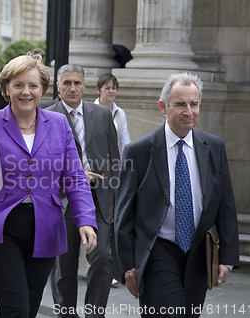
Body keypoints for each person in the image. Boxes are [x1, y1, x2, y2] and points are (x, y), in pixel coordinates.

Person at [0, 54, 98, 317]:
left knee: (28, 310)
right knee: (16, 310)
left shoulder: (59, 124)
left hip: (45, 230)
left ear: (42, 89)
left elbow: (74, 176)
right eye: (18, 85)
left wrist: (86, 219)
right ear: (6, 89)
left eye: (33, 85)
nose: (26, 92)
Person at [115, 72, 239, 317]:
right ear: (163, 107)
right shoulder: (139, 151)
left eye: (194, 104)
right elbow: (124, 212)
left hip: (198, 252)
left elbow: (226, 206)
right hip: (158, 250)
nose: (188, 111)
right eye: (180, 104)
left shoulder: (214, 147)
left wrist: (226, 257)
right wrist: (128, 264)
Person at [47, 64, 120, 318]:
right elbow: (41, 165)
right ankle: (66, 313)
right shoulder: (46, 115)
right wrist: (74, 176)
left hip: (99, 200)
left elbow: (115, 159)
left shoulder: (101, 114)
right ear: (58, 87)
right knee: (63, 268)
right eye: (66, 83)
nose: (72, 88)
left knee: (103, 258)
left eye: (77, 83)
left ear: (85, 86)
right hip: (63, 200)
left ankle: (94, 313)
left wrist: (115, 201)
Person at [94, 74, 130, 155]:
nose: (111, 91)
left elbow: (125, 142)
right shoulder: (90, 111)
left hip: (113, 162)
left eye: (114, 88)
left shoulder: (120, 112)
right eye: (107, 88)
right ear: (98, 90)